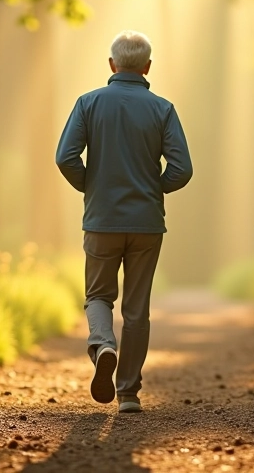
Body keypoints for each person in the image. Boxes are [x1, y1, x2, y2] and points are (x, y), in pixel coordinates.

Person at [55, 30, 193, 413]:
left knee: (98, 295)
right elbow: (182, 169)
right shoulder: (162, 109)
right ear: (148, 67)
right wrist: (154, 190)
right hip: (147, 223)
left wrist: (92, 188)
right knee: (137, 309)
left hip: (101, 220)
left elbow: (66, 157)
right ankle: (128, 393)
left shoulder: (88, 103)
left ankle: (103, 345)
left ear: (112, 64)